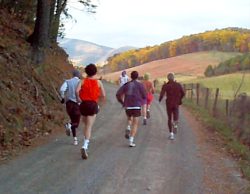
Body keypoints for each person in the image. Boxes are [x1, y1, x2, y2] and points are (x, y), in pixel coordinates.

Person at [76, 63, 106, 160]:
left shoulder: (82, 81)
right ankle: (85, 146)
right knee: (89, 126)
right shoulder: (98, 82)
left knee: (85, 124)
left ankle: (84, 140)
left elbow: (77, 91)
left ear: (86, 72)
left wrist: (79, 99)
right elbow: (103, 95)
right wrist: (99, 104)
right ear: (95, 72)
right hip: (93, 104)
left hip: (83, 104)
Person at [116, 71, 147, 147]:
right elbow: (144, 95)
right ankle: (131, 141)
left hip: (128, 106)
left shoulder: (126, 85)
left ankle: (128, 127)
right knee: (135, 124)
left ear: (130, 76)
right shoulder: (140, 85)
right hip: (136, 105)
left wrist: (122, 103)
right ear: (137, 76)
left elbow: (118, 94)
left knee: (129, 119)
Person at [159, 73, 185, 140]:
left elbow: (162, 94)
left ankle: (171, 134)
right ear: (173, 78)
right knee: (176, 116)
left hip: (169, 103)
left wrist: (160, 99)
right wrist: (180, 98)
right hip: (176, 103)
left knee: (169, 118)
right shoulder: (178, 85)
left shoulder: (165, 85)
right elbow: (183, 93)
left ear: (168, 78)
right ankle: (175, 124)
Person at [60, 69, 82, 145]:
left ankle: (75, 139)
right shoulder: (80, 82)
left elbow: (62, 89)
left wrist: (63, 98)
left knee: (72, 120)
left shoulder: (67, 81)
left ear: (73, 75)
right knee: (76, 123)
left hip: (69, 104)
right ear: (78, 75)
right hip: (77, 104)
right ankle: (69, 125)